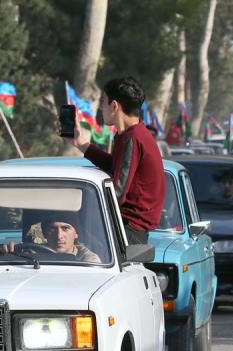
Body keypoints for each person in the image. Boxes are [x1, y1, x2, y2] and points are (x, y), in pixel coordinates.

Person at [64, 77, 165, 245]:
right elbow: (115, 167)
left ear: (115, 106)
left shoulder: (133, 138)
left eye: (103, 102)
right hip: (127, 229)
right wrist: (80, 143)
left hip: (128, 232)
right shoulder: (130, 135)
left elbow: (117, 191)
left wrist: (82, 206)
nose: (101, 108)